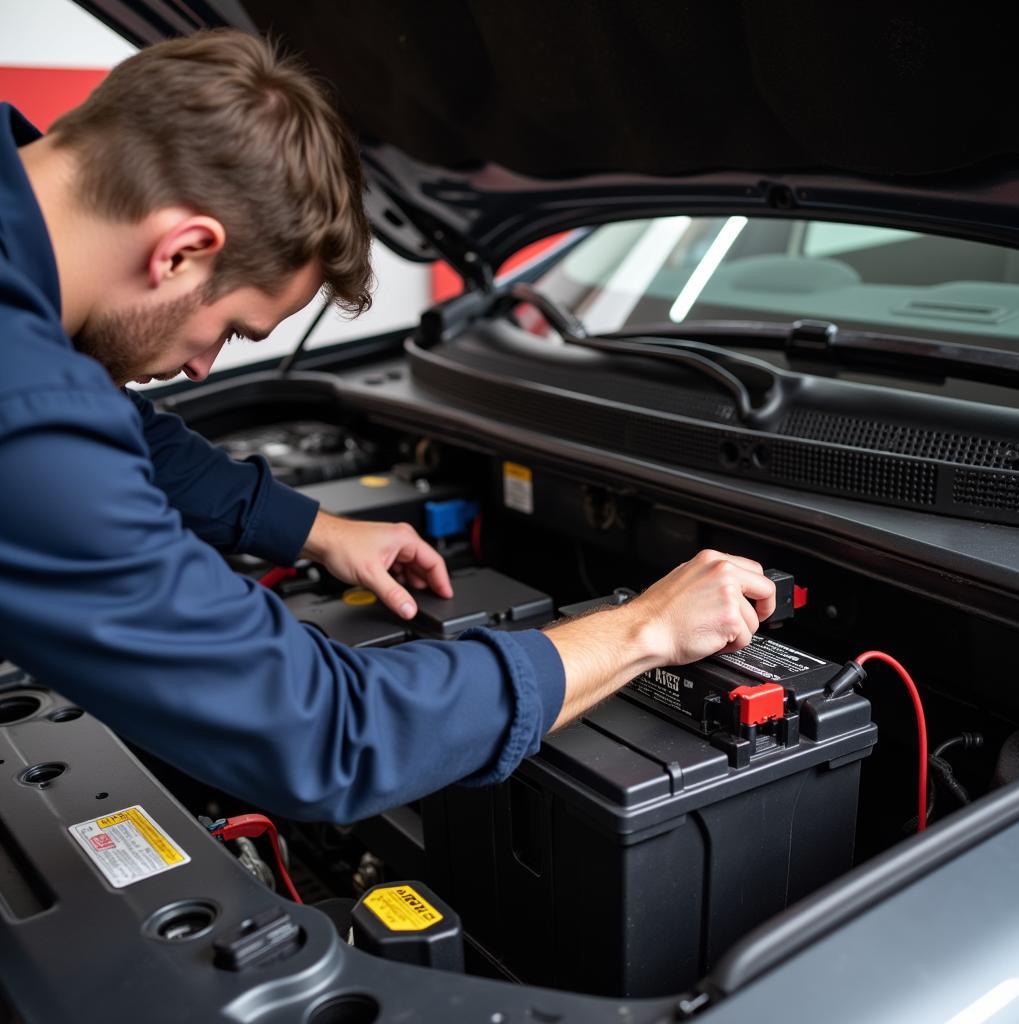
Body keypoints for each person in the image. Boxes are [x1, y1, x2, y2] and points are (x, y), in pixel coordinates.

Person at [0, 30, 774, 822]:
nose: (201, 371)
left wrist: (316, 528)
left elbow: (119, 431)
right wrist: (643, 629)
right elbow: (327, 735)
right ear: (185, 251)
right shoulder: (23, 392)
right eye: (233, 331)